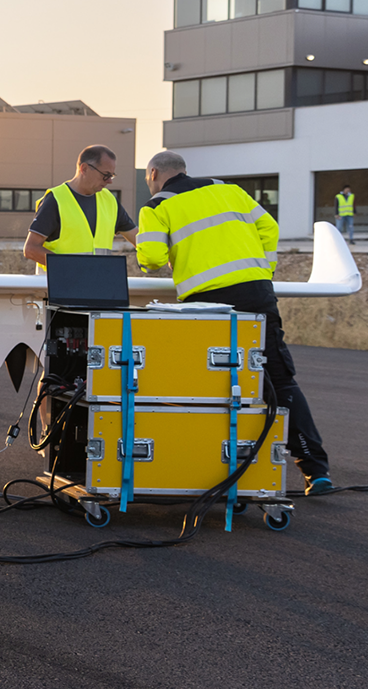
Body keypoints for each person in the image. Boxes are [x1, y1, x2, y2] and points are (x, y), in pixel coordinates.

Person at [137, 151, 334, 496]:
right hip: (257, 293)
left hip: (206, 302)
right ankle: (316, 472)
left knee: (206, 384)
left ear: (154, 174)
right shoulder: (229, 190)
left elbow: (151, 258)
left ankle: (204, 469)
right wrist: (265, 269)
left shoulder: (156, 206)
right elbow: (269, 227)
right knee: (278, 380)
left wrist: (170, 256)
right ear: (184, 170)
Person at [21, 145, 137, 270]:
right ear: (84, 169)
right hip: (59, 286)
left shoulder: (110, 201)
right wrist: (72, 269)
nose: (109, 181)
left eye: (112, 175)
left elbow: (138, 238)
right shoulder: (56, 199)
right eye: (106, 175)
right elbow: (31, 249)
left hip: (95, 285)